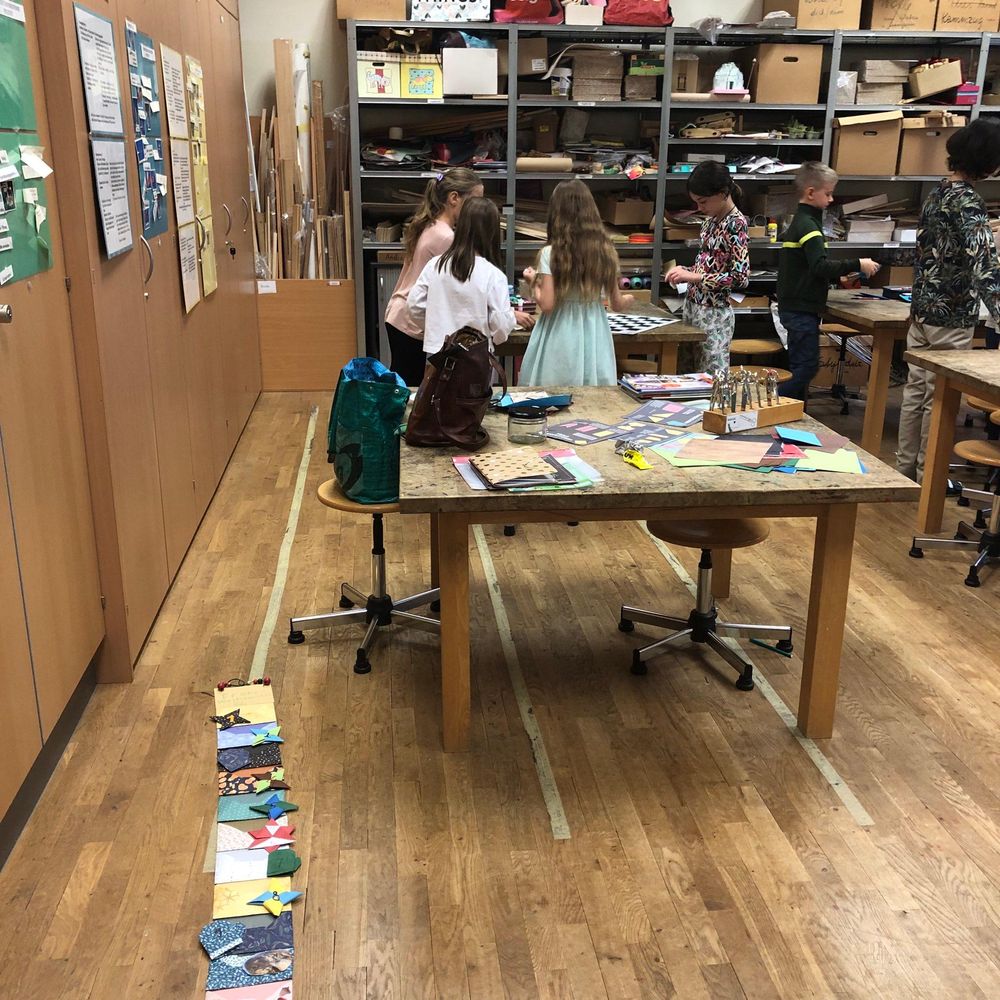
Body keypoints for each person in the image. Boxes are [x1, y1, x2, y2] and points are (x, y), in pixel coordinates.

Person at [897, 118, 1000, 482]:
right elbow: (984, 265)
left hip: (924, 309)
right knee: (938, 399)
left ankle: (905, 470)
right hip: (951, 313)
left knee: (916, 392)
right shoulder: (969, 202)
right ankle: (928, 476)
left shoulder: (937, 194)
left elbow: (929, 253)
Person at [776, 162, 880, 401]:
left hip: (797, 306)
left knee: (802, 365)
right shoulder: (809, 226)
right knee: (806, 367)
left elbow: (806, 266)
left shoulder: (803, 221)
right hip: (800, 309)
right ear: (811, 192)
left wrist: (838, 274)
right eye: (828, 193)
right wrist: (857, 263)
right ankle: (774, 403)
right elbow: (819, 266)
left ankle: (788, 408)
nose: (831, 199)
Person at [519, 179, 633, 386]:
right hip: (594, 333)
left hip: (559, 331)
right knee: (594, 393)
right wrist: (630, 298)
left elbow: (547, 304)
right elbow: (617, 304)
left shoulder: (551, 253)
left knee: (554, 392)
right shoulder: (606, 251)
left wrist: (533, 281)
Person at [384, 168, 483, 385]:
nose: (477, 208)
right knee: (408, 390)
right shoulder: (445, 237)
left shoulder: (430, 225)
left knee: (405, 386)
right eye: (474, 201)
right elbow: (463, 287)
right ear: (454, 198)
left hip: (401, 315)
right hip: (410, 322)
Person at [407, 197, 533, 356]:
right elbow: (501, 326)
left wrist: (436, 328)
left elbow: (414, 306)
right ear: (492, 233)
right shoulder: (493, 275)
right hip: (476, 357)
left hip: (438, 355)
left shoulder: (435, 265)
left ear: (460, 225)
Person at [665, 161, 749, 373]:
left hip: (715, 313)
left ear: (723, 193)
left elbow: (740, 277)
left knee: (710, 377)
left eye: (703, 202)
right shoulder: (710, 221)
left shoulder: (735, 223)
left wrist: (694, 277)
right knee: (686, 373)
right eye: (696, 202)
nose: (699, 208)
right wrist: (686, 271)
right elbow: (710, 264)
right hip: (693, 306)